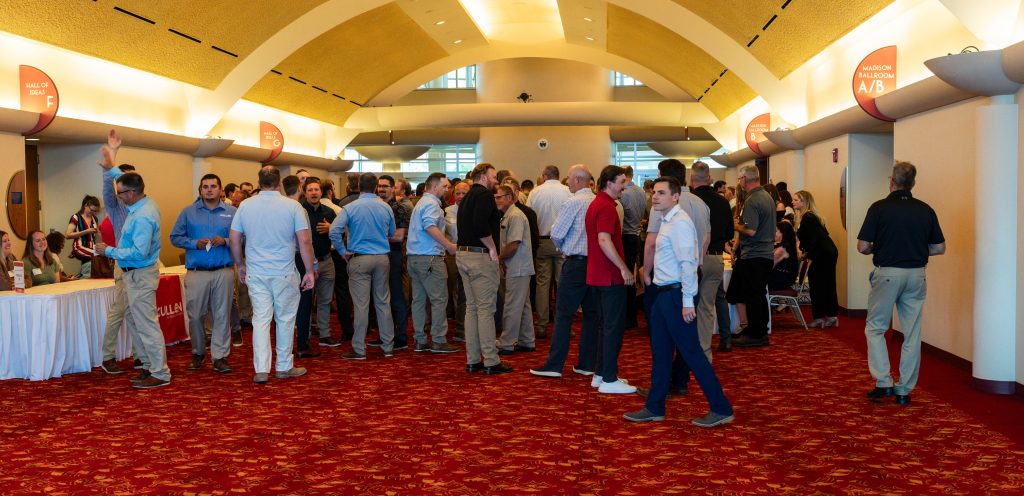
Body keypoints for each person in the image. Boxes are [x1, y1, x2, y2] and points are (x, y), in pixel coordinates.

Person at [623, 177, 734, 427]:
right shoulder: (666, 220)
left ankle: (721, 407)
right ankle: (654, 406)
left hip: (675, 297)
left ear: (675, 197)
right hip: (663, 295)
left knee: (692, 354)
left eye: (662, 193)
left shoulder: (681, 223)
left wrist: (686, 302)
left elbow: (688, 265)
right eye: (654, 192)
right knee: (660, 354)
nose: (655, 197)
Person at [858, 161, 945, 406]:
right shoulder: (925, 209)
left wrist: (882, 247)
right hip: (917, 274)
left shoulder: (879, 208)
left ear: (891, 181)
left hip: (887, 273)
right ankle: (904, 389)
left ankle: (884, 382)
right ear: (913, 183)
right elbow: (939, 248)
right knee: (912, 332)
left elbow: (863, 246)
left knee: (875, 328)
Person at [230, 166, 314, 384]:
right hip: (284, 272)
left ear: (259, 182)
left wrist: (240, 264)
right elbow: (304, 241)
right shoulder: (292, 206)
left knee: (260, 320)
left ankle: (261, 369)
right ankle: (284, 366)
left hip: (256, 272)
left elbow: (234, 238)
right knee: (285, 319)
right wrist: (309, 270)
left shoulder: (246, 206)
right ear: (279, 183)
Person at [94, 169, 171, 389]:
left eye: (120, 194)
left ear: (131, 193)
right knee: (135, 320)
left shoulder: (144, 215)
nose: (118, 197)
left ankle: (160, 372)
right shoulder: (141, 205)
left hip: (140, 273)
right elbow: (129, 179)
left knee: (146, 324)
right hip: (133, 274)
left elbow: (139, 253)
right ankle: (148, 365)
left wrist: (109, 251)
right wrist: (111, 169)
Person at [529, 165, 599, 379]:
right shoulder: (596, 201)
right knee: (591, 315)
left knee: (563, 314)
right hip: (594, 264)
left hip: (575, 262)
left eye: (569, 178)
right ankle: (587, 363)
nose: (567, 181)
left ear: (578, 180)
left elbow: (556, 233)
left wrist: (563, 248)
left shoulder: (573, 202)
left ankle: (555, 364)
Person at [169, 173, 237, 373]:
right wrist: (193, 243)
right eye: (205, 186)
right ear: (200, 190)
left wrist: (225, 240)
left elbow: (243, 239)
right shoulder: (188, 212)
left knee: (222, 315)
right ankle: (198, 352)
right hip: (197, 271)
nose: (209, 189)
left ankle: (220, 356)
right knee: (196, 315)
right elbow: (175, 237)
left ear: (220, 190)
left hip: (223, 271)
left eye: (213, 186)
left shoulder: (232, 212)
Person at [329, 172, 396, 360]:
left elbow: (334, 231)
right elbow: (391, 232)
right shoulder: (385, 207)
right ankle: (388, 346)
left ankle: (359, 349)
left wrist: (342, 251)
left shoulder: (350, 208)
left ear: (357, 186)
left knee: (361, 305)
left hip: (359, 258)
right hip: (382, 258)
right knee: (383, 302)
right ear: (376, 187)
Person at [456, 163, 512, 375]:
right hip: (479, 257)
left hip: (463, 255)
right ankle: (490, 360)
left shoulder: (468, 197)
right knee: (486, 309)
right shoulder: (484, 196)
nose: (496, 180)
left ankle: (472, 358)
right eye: (493, 176)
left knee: (472, 308)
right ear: (482, 176)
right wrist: (493, 250)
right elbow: (481, 227)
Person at [94, 131, 142, 376]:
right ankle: (108, 356)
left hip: (141, 265)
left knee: (138, 312)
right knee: (119, 310)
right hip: (123, 264)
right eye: (124, 182)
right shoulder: (115, 206)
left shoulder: (142, 207)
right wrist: (110, 162)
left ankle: (141, 355)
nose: (128, 188)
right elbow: (106, 187)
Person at [587, 165, 636, 394]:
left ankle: (600, 374)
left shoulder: (597, 203)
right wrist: (624, 268)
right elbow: (604, 240)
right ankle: (608, 378)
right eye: (622, 182)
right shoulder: (606, 206)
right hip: (609, 276)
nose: (624, 186)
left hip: (598, 275)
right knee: (613, 327)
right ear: (609, 183)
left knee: (604, 326)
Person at [407, 172, 458, 353]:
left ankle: (420, 340)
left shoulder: (421, 203)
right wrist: (449, 245)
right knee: (439, 300)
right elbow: (430, 226)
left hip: (414, 257)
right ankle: (438, 340)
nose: (447, 190)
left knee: (419, 300)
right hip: (429, 257)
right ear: (434, 186)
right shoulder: (432, 204)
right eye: (445, 186)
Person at [726, 164, 775, 348]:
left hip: (754, 255)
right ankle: (757, 330)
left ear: (745, 179)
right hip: (764, 254)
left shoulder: (753, 199)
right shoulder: (767, 197)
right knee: (757, 294)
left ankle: (756, 334)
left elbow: (751, 230)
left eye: (740, 179)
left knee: (753, 296)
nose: (739, 182)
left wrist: (736, 225)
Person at [689, 162, 734, 352]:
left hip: (693, 257)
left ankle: (693, 344)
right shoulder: (722, 201)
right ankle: (725, 338)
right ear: (709, 179)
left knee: (691, 301)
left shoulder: (689, 201)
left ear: (691, 179)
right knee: (717, 298)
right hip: (716, 256)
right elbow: (730, 233)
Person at [295, 177, 339, 357]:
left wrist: (332, 229)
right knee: (304, 303)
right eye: (310, 190)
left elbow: (339, 235)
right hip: (305, 264)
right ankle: (304, 337)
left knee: (325, 300)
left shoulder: (329, 212)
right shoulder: (299, 212)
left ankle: (325, 334)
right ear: (305, 193)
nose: (314, 193)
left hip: (327, 260)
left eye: (317, 190)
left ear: (322, 193)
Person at [526, 165, 572, 332]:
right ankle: (564, 324)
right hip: (563, 242)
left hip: (542, 241)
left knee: (542, 284)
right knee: (563, 284)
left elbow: (529, 218)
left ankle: (541, 324)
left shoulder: (535, 192)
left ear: (544, 176)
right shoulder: (567, 191)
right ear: (558, 176)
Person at [495, 184, 536, 354]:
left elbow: (513, 243)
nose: (496, 200)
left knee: (511, 305)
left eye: (500, 197)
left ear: (510, 198)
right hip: (517, 267)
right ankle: (527, 340)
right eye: (495, 197)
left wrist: (498, 259)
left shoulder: (515, 216)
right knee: (523, 305)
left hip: (518, 267)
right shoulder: (508, 215)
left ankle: (506, 343)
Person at [793, 190, 840, 328]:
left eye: (796, 200)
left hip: (823, 253)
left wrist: (806, 253)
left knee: (818, 284)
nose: (793, 202)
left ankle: (820, 317)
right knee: (826, 283)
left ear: (803, 201)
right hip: (827, 251)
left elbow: (815, 239)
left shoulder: (808, 217)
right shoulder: (811, 216)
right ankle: (831, 316)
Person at [619, 166, 646, 329]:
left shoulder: (623, 193)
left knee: (625, 277)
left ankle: (627, 316)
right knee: (631, 275)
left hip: (625, 236)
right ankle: (631, 315)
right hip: (636, 237)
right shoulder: (641, 191)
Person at [444, 181, 470, 342]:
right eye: (458, 193)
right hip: (452, 255)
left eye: (464, 193)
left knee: (465, 292)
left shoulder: (474, 211)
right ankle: (456, 323)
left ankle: (463, 326)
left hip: (469, 254)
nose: (460, 197)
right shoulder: (447, 211)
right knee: (454, 289)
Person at [66, 195, 101, 278]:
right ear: (85, 206)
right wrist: (86, 231)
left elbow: (95, 237)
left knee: (103, 255)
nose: (93, 213)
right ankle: (79, 277)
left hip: (91, 246)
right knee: (97, 256)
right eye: (92, 210)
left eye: (95, 211)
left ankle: (78, 277)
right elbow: (68, 235)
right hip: (79, 246)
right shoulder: (76, 217)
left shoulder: (94, 218)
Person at [768, 221, 799, 292]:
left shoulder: (782, 249)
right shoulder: (787, 246)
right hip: (782, 278)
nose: (773, 233)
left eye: (776, 231)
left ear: (783, 233)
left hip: (779, 281)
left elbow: (769, 266)